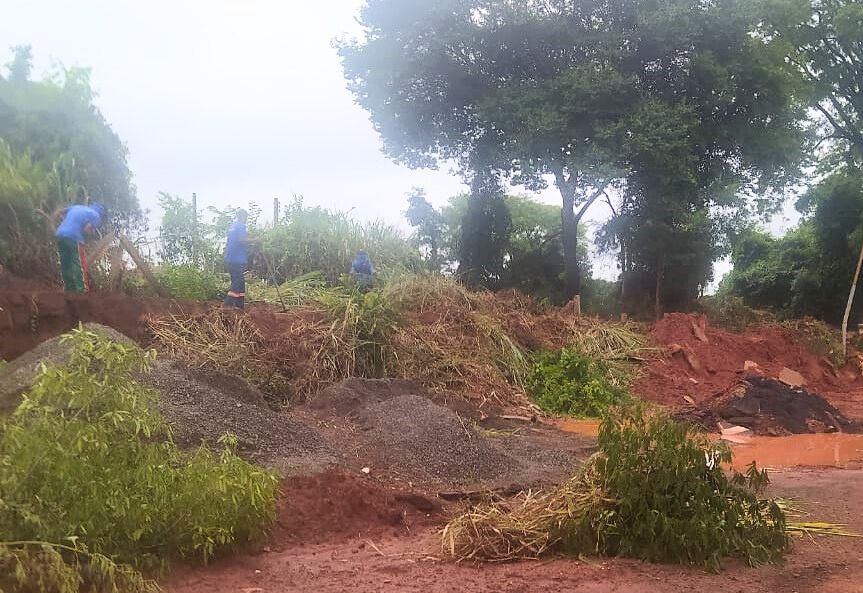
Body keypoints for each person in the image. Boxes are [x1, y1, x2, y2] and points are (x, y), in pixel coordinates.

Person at [52, 203, 105, 292]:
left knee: (65, 263)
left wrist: (54, 223)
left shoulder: (77, 207)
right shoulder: (96, 216)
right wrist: (89, 235)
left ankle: (69, 288)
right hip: (74, 237)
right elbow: (86, 229)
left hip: (60, 234)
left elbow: (60, 212)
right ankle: (82, 289)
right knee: (78, 264)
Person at [223, 209, 257, 309]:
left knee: (238, 281)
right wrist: (255, 240)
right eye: (246, 217)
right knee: (238, 280)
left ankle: (239, 305)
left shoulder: (232, 227)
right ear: (242, 216)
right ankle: (228, 302)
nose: (246, 219)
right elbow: (242, 240)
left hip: (231, 258)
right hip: (237, 258)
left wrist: (250, 243)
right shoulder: (240, 226)